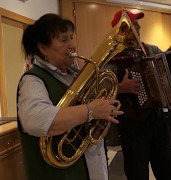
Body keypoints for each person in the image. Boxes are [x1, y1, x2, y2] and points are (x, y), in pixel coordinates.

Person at [17, 13, 123, 180]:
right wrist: (90, 111)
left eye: (71, 38)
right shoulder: (33, 80)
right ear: (43, 48)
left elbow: (89, 119)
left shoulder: (74, 74)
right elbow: (35, 119)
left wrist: (103, 113)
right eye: (63, 40)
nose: (72, 45)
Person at [106, 10, 171, 180]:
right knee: (137, 174)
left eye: (137, 24)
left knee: (168, 171)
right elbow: (99, 90)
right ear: (121, 30)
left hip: (158, 121)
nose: (138, 27)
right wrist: (120, 87)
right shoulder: (110, 57)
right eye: (134, 24)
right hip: (131, 126)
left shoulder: (151, 49)